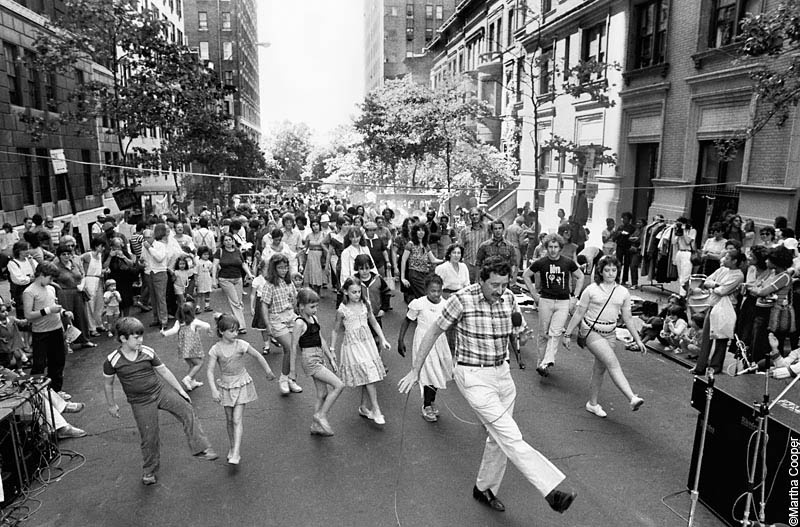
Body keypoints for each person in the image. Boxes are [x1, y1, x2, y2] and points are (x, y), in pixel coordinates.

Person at [398, 257, 575, 514]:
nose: (500, 290)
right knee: (510, 435)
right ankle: (552, 490)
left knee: (498, 437)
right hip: (473, 376)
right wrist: (416, 370)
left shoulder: (509, 298)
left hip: (502, 374)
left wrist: (522, 337)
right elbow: (433, 331)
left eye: (504, 284)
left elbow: (517, 332)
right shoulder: (461, 299)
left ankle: (484, 489)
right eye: (494, 285)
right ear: (481, 280)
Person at [104, 317, 218, 485]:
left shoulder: (147, 352)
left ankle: (200, 448)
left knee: (186, 409)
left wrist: (180, 391)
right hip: (140, 402)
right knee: (149, 436)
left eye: (141, 336)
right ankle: (149, 471)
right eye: (136, 337)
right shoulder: (112, 360)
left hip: (159, 392)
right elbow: (108, 384)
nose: (141, 340)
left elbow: (164, 371)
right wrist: (111, 405)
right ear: (123, 338)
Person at [565, 255, 646, 418]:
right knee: (612, 362)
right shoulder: (591, 290)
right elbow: (579, 312)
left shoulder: (623, 292)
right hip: (591, 331)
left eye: (614, 270)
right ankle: (632, 397)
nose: (610, 273)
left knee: (600, 369)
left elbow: (628, 318)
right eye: (607, 270)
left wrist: (638, 340)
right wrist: (567, 333)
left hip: (610, 333)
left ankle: (592, 403)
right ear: (600, 271)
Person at [207, 313, 275, 465]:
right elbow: (210, 371)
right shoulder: (215, 349)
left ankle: (236, 452)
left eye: (236, 330)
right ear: (221, 331)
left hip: (241, 383)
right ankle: (232, 447)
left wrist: (268, 371)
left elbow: (257, 355)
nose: (235, 334)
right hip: (226, 386)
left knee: (237, 419)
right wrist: (213, 390)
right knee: (229, 419)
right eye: (231, 331)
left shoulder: (241, 345)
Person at [523, 233, 584, 377]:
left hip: (563, 302)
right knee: (544, 333)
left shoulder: (567, 262)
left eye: (556, 247)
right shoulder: (541, 262)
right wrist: (534, 294)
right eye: (550, 246)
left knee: (555, 332)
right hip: (546, 300)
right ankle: (541, 362)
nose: (553, 250)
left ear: (560, 248)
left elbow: (580, 276)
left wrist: (575, 297)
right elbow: (526, 275)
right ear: (546, 247)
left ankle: (547, 362)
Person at [332, 277, 390, 425]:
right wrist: (332, 349)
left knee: (367, 375)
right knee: (368, 373)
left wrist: (383, 339)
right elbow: (335, 330)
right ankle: (376, 409)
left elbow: (374, 322)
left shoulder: (365, 304)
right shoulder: (342, 310)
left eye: (359, 291)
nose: (357, 295)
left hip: (367, 343)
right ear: (346, 292)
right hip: (353, 345)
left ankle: (364, 407)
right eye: (353, 292)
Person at [397, 275, 452, 423]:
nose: (436, 294)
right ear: (426, 290)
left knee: (437, 372)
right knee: (428, 373)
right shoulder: (419, 304)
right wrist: (400, 340)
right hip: (423, 342)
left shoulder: (446, 305)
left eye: (439, 291)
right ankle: (426, 405)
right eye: (433, 291)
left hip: (439, 341)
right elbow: (407, 321)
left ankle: (431, 400)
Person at [291, 288, 344, 437]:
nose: (315, 309)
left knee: (322, 393)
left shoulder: (314, 319)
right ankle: (321, 416)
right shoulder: (299, 323)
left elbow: (321, 340)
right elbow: (293, 347)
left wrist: (330, 358)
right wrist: (292, 371)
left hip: (318, 356)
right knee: (339, 385)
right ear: (302, 306)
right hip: (310, 360)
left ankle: (315, 426)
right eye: (312, 306)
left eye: (316, 306)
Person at [261, 254, 302, 395]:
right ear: (274, 268)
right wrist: (268, 325)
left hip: (291, 316)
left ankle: (291, 378)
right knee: (289, 347)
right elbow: (264, 305)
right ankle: (284, 379)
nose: (283, 270)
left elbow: (295, 300)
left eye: (285, 267)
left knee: (293, 349)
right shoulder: (269, 285)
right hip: (277, 319)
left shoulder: (289, 283)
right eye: (280, 268)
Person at [162, 300, 212, 391]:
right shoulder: (193, 321)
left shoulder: (179, 322)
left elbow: (174, 330)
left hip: (183, 349)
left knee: (192, 365)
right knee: (199, 363)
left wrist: (165, 333)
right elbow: (207, 325)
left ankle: (192, 382)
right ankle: (188, 378)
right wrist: (208, 330)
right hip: (192, 348)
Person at [213, 232, 253, 331]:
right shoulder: (220, 251)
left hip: (238, 278)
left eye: (230, 240)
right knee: (235, 302)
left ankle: (223, 318)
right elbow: (215, 265)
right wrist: (214, 280)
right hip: (225, 279)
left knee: (238, 302)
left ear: (233, 241)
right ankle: (241, 326)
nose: (228, 242)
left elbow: (243, 264)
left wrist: (249, 274)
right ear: (223, 242)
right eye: (226, 240)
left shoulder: (237, 251)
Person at [401, 223, 442, 303]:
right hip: (414, 274)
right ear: (415, 232)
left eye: (423, 230)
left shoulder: (425, 245)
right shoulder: (410, 244)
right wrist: (403, 278)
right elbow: (403, 260)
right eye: (418, 230)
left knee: (421, 297)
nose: (421, 232)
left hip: (425, 274)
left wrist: (444, 260)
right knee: (425, 296)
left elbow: (433, 259)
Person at [459, 208, 491, 283]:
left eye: (476, 214)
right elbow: (460, 247)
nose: (474, 216)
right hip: (469, 264)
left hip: (484, 264)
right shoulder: (464, 231)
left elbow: (498, 222)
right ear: (470, 217)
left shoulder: (487, 228)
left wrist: (485, 214)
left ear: (480, 215)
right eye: (472, 215)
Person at [303, 218, 327, 293]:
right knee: (311, 274)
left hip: (320, 256)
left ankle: (318, 292)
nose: (315, 227)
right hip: (311, 255)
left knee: (319, 274)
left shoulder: (324, 235)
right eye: (313, 225)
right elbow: (305, 248)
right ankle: (311, 292)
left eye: (317, 225)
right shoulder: (309, 236)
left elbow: (327, 247)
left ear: (319, 225)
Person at [194, 246, 214, 312]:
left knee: (207, 292)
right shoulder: (198, 263)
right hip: (200, 279)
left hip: (207, 279)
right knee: (199, 293)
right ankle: (197, 307)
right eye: (204, 254)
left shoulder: (210, 263)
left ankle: (207, 306)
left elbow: (210, 271)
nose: (206, 256)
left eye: (207, 254)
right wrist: (196, 281)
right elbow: (195, 272)